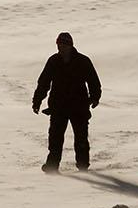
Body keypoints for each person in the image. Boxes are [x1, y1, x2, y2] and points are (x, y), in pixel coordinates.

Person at [31, 32, 102, 173]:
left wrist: (95, 97)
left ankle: (83, 166)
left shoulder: (83, 61)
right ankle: (52, 166)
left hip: (79, 106)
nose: (60, 48)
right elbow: (44, 82)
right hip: (58, 107)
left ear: (70, 45)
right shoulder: (53, 61)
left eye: (63, 45)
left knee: (81, 138)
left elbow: (93, 81)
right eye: (58, 45)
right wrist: (37, 100)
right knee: (55, 138)